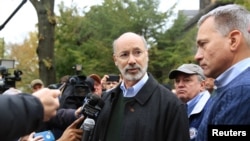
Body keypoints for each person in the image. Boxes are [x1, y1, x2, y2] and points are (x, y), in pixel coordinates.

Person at [91, 32, 190, 141]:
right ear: (115, 60)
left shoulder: (171, 105)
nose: (132, 61)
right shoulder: (105, 100)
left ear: (146, 55)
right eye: (124, 54)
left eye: (137, 52)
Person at [194, 4, 250, 141]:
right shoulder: (231, 88)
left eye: (203, 44)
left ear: (233, 41)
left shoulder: (240, 91)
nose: (197, 56)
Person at [168, 63, 211, 141]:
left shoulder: (211, 109)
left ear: (202, 85)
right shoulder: (173, 109)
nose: (180, 85)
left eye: (187, 80)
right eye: (177, 81)